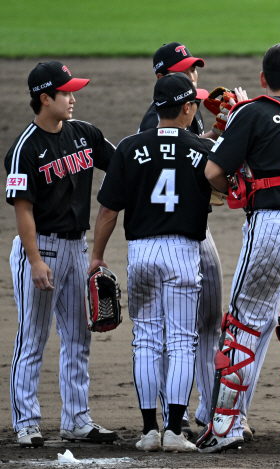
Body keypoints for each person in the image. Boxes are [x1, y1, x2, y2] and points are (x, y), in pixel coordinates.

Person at [198, 43, 280, 455]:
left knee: (243, 326)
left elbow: (213, 172)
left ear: (262, 79)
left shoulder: (251, 111)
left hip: (274, 226)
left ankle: (224, 426)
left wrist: (237, 187)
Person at [88, 73, 213, 452]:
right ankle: (175, 429)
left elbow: (109, 210)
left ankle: (148, 431)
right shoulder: (202, 149)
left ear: (157, 107)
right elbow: (226, 189)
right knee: (180, 342)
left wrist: (96, 256)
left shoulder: (129, 147)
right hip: (182, 253)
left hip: (141, 252)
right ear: (188, 108)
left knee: (145, 341)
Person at [5, 61, 118, 447]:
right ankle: (26, 422)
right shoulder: (25, 149)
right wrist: (35, 260)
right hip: (41, 248)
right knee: (32, 338)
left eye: (73, 92)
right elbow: (23, 210)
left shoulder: (85, 135)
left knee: (78, 339)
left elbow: (122, 165)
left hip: (77, 247)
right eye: (66, 93)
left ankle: (76, 419)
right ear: (45, 97)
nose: (73, 98)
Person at [137, 41, 243, 442]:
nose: (193, 75)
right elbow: (190, 170)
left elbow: (193, 152)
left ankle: (204, 409)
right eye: (184, 69)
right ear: (162, 78)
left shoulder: (184, 116)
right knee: (175, 330)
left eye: (194, 68)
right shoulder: (156, 122)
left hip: (193, 232)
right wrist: (228, 137)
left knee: (205, 320)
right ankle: (174, 413)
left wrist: (217, 131)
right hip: (176, 235)